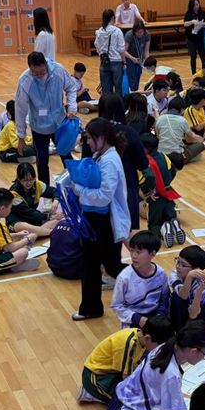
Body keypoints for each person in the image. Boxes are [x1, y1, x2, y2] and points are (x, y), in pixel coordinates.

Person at [60, 119, 130, 320]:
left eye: (90, 138)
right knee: (92, 264)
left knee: (110, 266)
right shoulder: (101, 156)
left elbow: (104, 196)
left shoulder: (109, 161)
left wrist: (78, 190)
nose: (87, 142)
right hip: (94, 219)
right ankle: (91, 308)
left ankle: (149, 281)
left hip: (104, 222)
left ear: (102, 137)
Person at [14, 51, 77, 184]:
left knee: (66, 156)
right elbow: (20, 110)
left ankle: (75, 184)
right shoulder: (25, 80)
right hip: (39, 127)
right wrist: (21, 136)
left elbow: (71, 87)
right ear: (30, 68)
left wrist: (72, 107)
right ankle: (45, 191)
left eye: (42, 72)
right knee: (42, 161)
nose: (39, 75)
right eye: (35, 73)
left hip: (60, 123)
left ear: (45, 64)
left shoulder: (58, 70)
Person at [79, 316, 172, 405]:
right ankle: (90, 393)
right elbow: (126, 377)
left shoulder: (140, 337)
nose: (158, 350)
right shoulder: (130, 345)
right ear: (147, 338)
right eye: (158, 347)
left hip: (114, 370)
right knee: (127, 399)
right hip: (95, 376)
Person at [112, 230, 170, 328]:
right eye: (132, 250)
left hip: (155, 316)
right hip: (133, 319)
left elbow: (165, 298)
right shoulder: (124, 277)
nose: (133, 255)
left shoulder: (161, 274)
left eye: (138, 252)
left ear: (152, 254)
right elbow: (117, 305)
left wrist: (159, 316)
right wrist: (138, 319)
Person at [169, 244, 205, 336]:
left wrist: (199, 292)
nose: (178, 266)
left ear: (196, 270)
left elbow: (193, 315)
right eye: (177, 261)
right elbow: (183, 296)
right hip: (180, 310)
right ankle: (178, 331)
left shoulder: (201, 284)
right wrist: (189, 277)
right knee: (176, 298)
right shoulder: (174, 275)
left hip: (194, 312)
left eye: (183, 265)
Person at [95, 8, 126, 96]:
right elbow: (121, 49)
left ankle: (107, 104)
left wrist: (101, 54)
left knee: (106, 90)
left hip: (104, 61)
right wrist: (124, 62)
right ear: (112, 18)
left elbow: (97, 45)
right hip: (117, 62)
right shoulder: (117, 31)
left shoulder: (99, 32)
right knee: (118, 89)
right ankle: (118, 104)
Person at [182, 0, 205, 75]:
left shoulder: (202, 13)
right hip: (191, 39)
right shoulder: (188, 14)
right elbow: (185, 24)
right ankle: (194, 73)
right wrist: (192, 22)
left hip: (200, 38)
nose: (196, 6)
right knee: (193, 56)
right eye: (194, 5)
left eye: (197, 4)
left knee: (203, 56)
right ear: (191, 6)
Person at [124, 18, 151, 92]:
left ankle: (134, 92)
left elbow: (146, 50)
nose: (140, 34)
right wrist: (132, 58)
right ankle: (132, 93)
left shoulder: (147, 35)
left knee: (137, 79)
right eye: (138, 32)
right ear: (134, 31)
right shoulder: (129, 35)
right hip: (130, 59)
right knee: (132, 80)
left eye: (141, 32)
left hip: (139, 60)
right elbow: (124, 51)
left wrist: (147, 61)